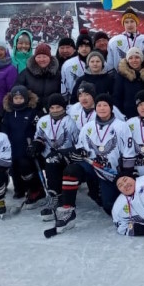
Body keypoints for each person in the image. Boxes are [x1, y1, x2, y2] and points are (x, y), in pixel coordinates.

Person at [55, 94, 137, 233]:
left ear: (111, 108)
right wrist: (79, 154)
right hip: (92, 167)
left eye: (105, 105)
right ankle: (68, 210)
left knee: (109, 206)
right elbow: (81, 148)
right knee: (71, 170)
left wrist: (126, 174)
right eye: (99, 105)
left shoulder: (121, 127)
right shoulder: (88, 127)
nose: (102, 108)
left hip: (111, 173)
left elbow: (129, 153)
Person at [31, 93, 80, 221]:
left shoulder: (70, 122)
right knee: (45, 160)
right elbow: (40, 136)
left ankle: (60, 196)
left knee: (53, 162)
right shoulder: (43, 120)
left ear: (63, 107)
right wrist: (36, 145)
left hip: (66, 155)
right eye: (52, 108)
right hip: (48, 155)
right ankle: (54, 196)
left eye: (58, 107)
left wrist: (67, 153)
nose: (55, 110)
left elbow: (77, 143)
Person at [1, 85, 44, 205]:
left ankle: (35, 188)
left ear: (26, 98)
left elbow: (39, 129)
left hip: (27, 148)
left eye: (21, 98)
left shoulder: (33, 112)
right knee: (14, 168)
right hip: (13, 147)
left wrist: (35, 143)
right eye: (16, 98)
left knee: (26, 167)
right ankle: (19, 189)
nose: (18, 100)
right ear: (11, 99)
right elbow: (4, 128)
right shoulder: (8, 113)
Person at [15, 42, 61, 115]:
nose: (41, 59)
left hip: (51, 112)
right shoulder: (26, 73)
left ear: (50, 58)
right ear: (34, 58)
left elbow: (60, 93)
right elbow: (18, 91)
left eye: (44, 56)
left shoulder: (57, 74)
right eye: (39, 57)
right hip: (30, 112)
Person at [106, 7, 144, 72]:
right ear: (123, 24)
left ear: (136, 22)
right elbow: (110, 64)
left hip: (143, 77)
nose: (129, 25)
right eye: (126, 22)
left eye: (132, 21)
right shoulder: (114, 41)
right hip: (122, 78)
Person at [113, 47, 144, 119]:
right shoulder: (121, 75)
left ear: (142, 59)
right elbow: (117, 96)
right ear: (127, 60)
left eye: (137, 57)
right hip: (128, 113)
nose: (134, 60)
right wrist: (120, 114)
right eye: (130, 58)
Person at [61, 30, 93, 101]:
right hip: (75, 98)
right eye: (81, 46)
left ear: (91, 48)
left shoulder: (98, 62)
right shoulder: (68, 64)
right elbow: (63, 83)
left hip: (94, 99)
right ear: (77, 48)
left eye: (87, 46)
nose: (84, 49)